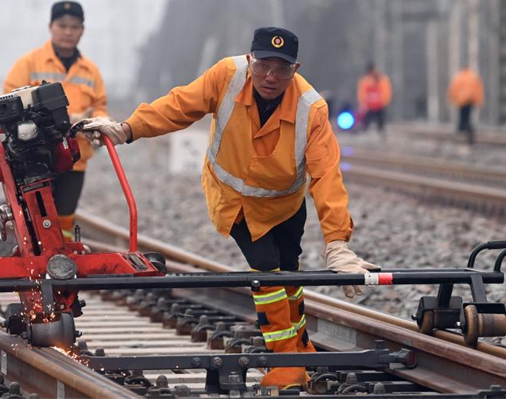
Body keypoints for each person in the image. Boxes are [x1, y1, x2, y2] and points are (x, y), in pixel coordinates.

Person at [77, 27, 377, 390]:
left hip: (284, 204)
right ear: (251, 60)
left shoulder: (311, 109)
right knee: (267, 272)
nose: (271, 76)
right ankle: (286, 364)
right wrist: (127, 129)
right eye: (264, 65)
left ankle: (300, 347)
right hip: (234, 201)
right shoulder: (227, 76)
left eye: (281, 69)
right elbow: (179, 106)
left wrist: (337, 243)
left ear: (295, 69)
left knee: (290, 273)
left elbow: (327, 176)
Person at [4, 0, 108, 241]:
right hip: (33, 155)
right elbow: (9, 100)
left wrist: (96, 122)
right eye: (62, 25)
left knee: (64, 217)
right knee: (34, 216)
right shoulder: (29, 64)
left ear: (82, 30)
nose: (68, 32)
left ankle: (62, 260)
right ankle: (32, 263)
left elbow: (100, 106)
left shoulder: (90, 71)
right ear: (51, 26)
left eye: (75, 27)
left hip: (75, 157)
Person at [447, 66, 484, 145]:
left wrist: (452, 99)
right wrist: (479, 101)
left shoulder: (458, 77)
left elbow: (453, 88)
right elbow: (478, 89)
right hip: (470, 101)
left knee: (463, 118)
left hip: (461, 101)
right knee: (467, 118)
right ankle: (468, 135)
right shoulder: (473, 77)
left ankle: (463, 133)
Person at [356, 62, 392, 134]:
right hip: (369, 107)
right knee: (366, 124)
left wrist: (384, 101)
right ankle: (365, 133)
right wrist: (363, 104)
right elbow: (362, 93)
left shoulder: (381, 79)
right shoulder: (365, 80)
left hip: (379, 106)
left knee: (381, 124)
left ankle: (380, 134)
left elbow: (386, 91)